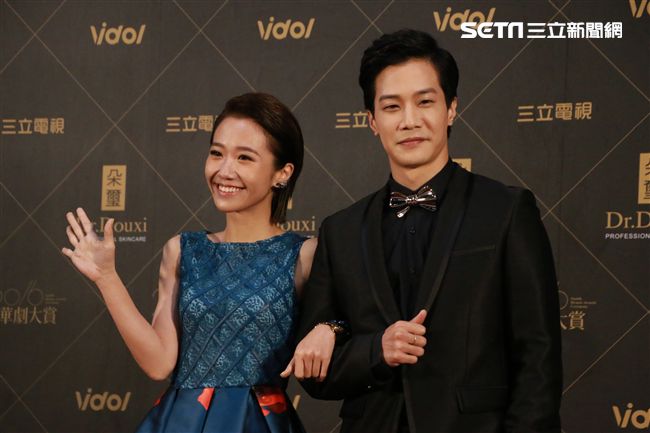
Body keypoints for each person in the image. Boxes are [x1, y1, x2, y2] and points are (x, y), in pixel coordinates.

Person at [294, 29, 563, 433]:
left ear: (451, 109)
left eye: (425, 102)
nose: (409, 121)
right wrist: (376, 351)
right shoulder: (340, 231)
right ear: (372, 121)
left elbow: (538, 355)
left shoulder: (506, 211)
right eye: (392, 106)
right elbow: (315, 372)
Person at [61, 93, 336, 433]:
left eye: (245, 157)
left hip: (258, 424)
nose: (224, 170)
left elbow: (343, 325)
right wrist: (106, 277)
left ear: (282, 173)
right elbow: (159, 364)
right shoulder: (182, 249)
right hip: (181, 422)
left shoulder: (305, 254)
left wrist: (330, 328)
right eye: (217, 153)